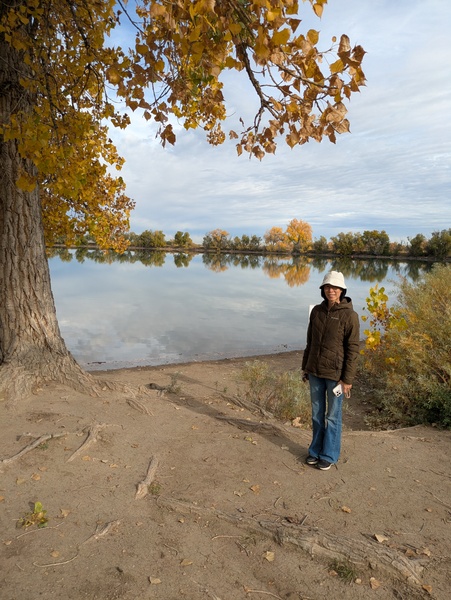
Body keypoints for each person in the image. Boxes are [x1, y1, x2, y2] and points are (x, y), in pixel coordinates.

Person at [302, 271, 360, 471]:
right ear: (323, 289)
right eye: (327, 287)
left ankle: (329, 455)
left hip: (336, 376)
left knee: (332, 417)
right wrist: (306, 367)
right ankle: (315, 451)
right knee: (316, 415)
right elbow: (310, 342)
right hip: (315, 372)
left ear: (342, 290)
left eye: (335, 287)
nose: (331, 290)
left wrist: (347, 379)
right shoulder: (316, 312)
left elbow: (353, 349)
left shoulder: (350, 316)